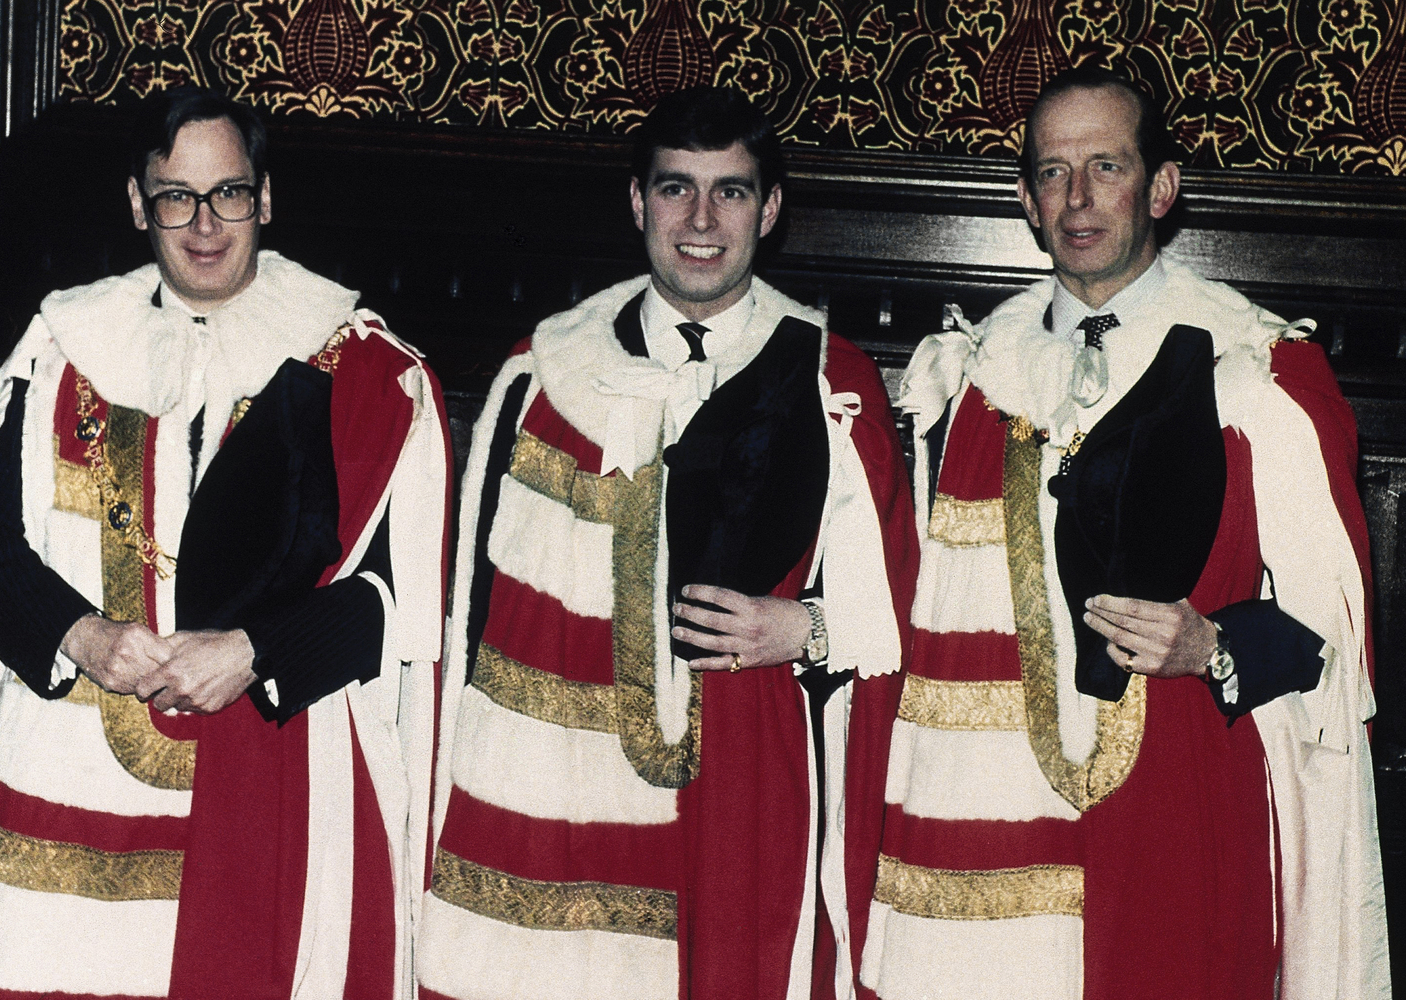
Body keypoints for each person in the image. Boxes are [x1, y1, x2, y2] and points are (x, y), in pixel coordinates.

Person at [859, 67, 1390, 1000]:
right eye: (1052, 172)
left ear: (1161, 186)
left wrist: (1213, 645)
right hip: (982, 823)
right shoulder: (971, 382)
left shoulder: (1256, 373)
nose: (1077, 198)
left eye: (1105, 166)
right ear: (1025, 200)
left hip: (1178, 805)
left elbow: (1334, 641)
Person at [0, 87, 451, 997]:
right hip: (65, 783)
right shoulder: (62, 348)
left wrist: (257, 651)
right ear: (139, 205)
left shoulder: (365, 369)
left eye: (229, 193)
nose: (205, 224)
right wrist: (82, 636)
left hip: (270, 789)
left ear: (266, 198)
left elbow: (397, 601)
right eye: (177, 196)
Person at [419, 86, 917, 1000]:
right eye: (675, 187)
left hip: (746, 767)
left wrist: (805, 627)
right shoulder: (546, 375)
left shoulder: (828, 382)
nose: (700, 220)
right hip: (559, 782)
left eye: (730, 191)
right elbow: (473, 619)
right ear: (637, 201)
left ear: (769, 209)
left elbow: (896, 602)